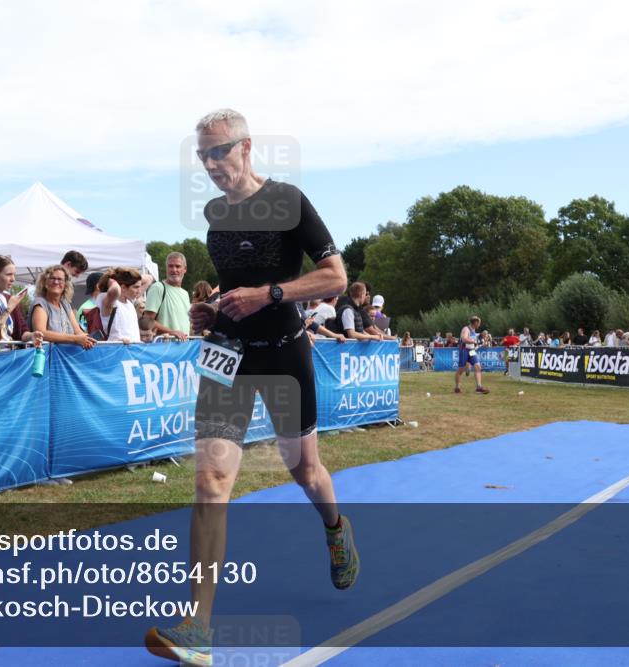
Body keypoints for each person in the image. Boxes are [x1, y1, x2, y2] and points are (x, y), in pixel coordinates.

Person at [145, 109, 355, 666]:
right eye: (202, 156)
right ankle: (199, 629)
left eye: (219, 152)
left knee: (303, 468)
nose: (211, 164)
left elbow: (334, 275)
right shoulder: (215, 216)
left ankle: (335, 527)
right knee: (212, 481)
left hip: (285, 353)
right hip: (228, 355)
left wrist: (272, 295)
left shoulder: (288, 201)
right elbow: (236, 289)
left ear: (246, 148)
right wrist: (212, 309)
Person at [31, 264, 95, 349]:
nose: (56, 282)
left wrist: (87, 339)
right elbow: (41, 333)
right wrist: (75, 339)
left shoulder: (65, 305)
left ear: (65, 284)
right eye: (52, 278)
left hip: (66, 357)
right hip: (47, 358)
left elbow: (78, 332)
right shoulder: (40, 304)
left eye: (60, 279)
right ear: (45, 282)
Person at [143, 252, 191, 341]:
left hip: (184, 348)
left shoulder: (185, 293)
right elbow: (146, 321)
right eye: (170, 266)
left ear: (185, 269)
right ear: (166, 268)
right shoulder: (158, 287)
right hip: (164, 348)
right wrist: (171, 332)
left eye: (178, 266)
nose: (174, 269)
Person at [94, 268, 142, 344]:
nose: (139, 291)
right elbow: (115, 289)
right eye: (136, 287)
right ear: (123, 288)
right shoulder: (110, 301)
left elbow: (149, 278)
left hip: (132, 352)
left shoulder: (130, 303)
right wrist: (110, 280)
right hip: (115, 351)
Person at [454, 315, 489, 394]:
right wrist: (474, 341)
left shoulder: (473, 331)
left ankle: (479, 387)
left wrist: (480, 341)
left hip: (471, 351)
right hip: (464, 350)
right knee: (461, 370)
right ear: (476, 322)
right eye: (479, 323)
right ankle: (457, 387)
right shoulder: (466, 329)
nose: (479, 325)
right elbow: (464, 339)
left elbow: (475, 339)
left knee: (478, 367)